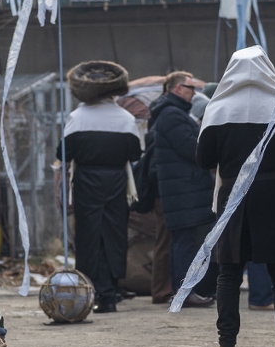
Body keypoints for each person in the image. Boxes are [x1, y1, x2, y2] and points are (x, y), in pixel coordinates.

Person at [196, 47, 275, 347]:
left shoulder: (217, 108)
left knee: (229, 273)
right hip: (274, 193)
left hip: (233, 193)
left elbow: (204, 160)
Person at [59, 62, 142, 314]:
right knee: (114, 236)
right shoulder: (125, 118)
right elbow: (135, 152)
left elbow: (63, 153)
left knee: (88, 237)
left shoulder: (77, 117)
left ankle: (90, 290)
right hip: (117, 181)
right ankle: (110, 292)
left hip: (86, 181)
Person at [150, 71, 215, 307]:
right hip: (184, 191)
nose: (194, 92)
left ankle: (185, 289)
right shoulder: (172, 116)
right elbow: (191, 149)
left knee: (185, 241)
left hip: (184, 190)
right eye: (190, 87)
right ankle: (184, 290)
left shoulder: (172, 114)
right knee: (184, 242)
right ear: (177, 89)